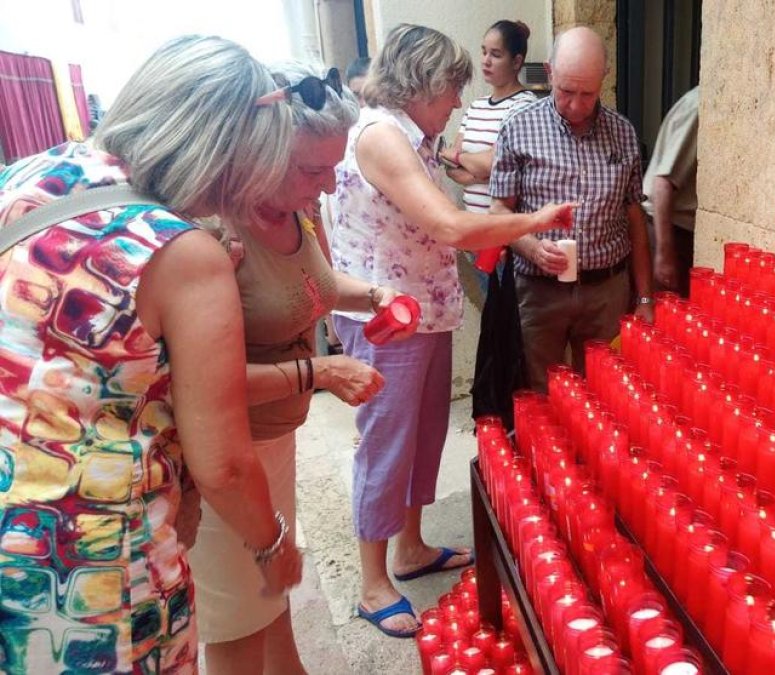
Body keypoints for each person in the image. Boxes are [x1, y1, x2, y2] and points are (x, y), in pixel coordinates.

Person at [0, 35, 301, 673]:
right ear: (223, 153)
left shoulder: (30, 174)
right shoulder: (180, 252)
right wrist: (274, 544)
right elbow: (222, 464)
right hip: (91, 558)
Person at [329, 23, 574, 637]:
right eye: (452, 89)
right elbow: (448, 226)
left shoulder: (415, 135)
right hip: (387, 317)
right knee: (387, 441)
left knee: (425, 434)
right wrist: (533, 220)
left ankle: (410, 547)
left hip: (423, 312)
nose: (458, 103)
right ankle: (371, 579)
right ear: (423, 83)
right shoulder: (384, 136)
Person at [189, 62, 409, 673]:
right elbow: (200, 384)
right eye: (314, 172)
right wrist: (321, 373)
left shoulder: (293, 213)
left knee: (274, 590)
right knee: (237, 620)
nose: (330, 187)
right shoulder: (214, 235)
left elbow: (308, 285)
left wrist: (372, 296)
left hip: (275, 438)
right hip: (225, 455)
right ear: (261, 155)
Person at [490, 26, 654, 392]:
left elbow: (635, 219)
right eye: (566, 92)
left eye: (588, 94)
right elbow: (499, 210)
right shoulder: (519, 127)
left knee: (605, 390)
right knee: (538, 390)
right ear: (549, 72)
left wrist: (644, 297)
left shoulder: (623, 133)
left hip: (606, 291)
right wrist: (532, 247)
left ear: (604, 79)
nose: (577, 105)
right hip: (538, 289)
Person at [442, 20, 538, 214]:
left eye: (495, 55)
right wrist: (487, 172)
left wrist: (462, 158)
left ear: (516, 62)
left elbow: (493, 162)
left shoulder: (526, 106)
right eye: (484, 51)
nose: (486, 60)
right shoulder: (475, 106)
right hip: (473, 226)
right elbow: (450, 167)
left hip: (507, 230)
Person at [643, 86, 699, 295]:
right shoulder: (700, 107)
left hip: (678, 230)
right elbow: (663, 184)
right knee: (665, 312)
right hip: (668, 229)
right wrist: (665, 255)